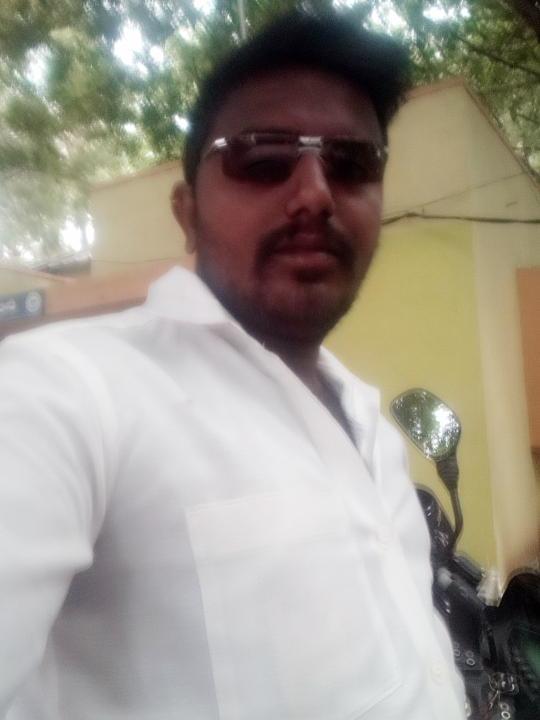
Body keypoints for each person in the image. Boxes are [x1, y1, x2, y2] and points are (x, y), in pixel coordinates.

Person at [0, 10, 466, 720]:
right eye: (263, 158)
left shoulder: (372, 424)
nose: (315, 193)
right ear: (187, 213)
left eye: (352, 164)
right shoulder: (68, 391)